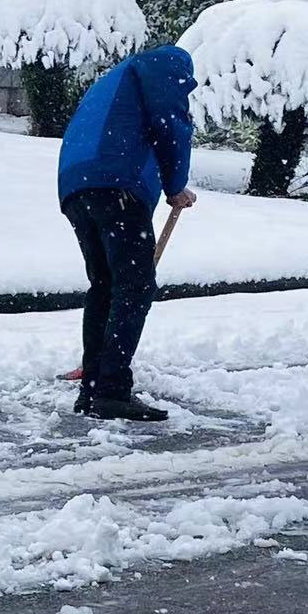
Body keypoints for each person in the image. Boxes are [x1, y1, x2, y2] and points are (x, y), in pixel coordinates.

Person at [57, 45, 198, 421]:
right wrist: (175, 185)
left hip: (76, 186)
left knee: (105, 285)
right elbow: (171, 124)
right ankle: (112, 390)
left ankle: (92, 390)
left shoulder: (117, 79)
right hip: (114, 185)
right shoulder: (164, 66)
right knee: (134, 287)